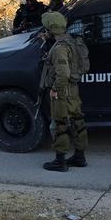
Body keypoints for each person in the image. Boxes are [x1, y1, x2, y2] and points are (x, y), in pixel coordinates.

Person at [39, 11, 90, 172]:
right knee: (78, 121)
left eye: (46, 28)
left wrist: (55, 89)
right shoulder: (71, 41)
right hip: (72, 89)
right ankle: (80, 157)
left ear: (51, 29)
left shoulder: (60, 48)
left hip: (62, 90)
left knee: (60, 124)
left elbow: (63, 73)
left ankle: (60, 161)